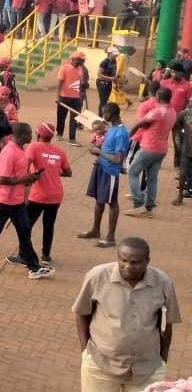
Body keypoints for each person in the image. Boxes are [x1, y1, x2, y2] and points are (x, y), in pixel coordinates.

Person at [73, 237, 180, 391]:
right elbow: (82, 313)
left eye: (135, 262)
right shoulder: (97, 276)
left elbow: (166, 324)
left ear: (147, 261)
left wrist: (163, 359)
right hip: (101, 366)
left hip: (147, 370)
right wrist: (85, 352)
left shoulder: (163, 283)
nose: (128, 266)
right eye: (123, 260)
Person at [0, 122, 55, 279]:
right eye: (30, 133)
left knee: (24, 231)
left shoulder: (18, 150)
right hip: (3, 199)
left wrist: (29, 179)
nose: (32, 136)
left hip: (16, 200)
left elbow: (18, 177)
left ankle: (34, 267)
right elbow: (3, 179)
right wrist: (27, 178)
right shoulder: (10, 152)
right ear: (23, 135)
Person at [16, 123, 71, 266]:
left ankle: (23, 254)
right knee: (49, 225)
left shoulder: (33, 147)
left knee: (26, 225)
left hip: (38, 195)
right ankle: (46, 255)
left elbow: (25, 166)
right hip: (56, 194)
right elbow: (68, 172)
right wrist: (53, 171)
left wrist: (26, 180)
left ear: (38, 135)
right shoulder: (59, 151)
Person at [126, 87, 176, 217]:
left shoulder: (157, 111)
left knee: (132, 172)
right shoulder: (173, 112)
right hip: (162, 149)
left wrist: (128, 137)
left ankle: (138, 204)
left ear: (158, 97)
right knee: (152, 178)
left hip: (149, 147)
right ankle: (149, 207)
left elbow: (139, 123)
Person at [57, 52, 87, 145]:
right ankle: (59, 134)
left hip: (76, 98)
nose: (83, 61)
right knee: (61, 117)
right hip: (64, 96)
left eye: (83, 60)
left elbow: (80, 83)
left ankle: (72, 138)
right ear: (74, 59)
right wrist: (58, 96)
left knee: (74, 118)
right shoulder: (64, 68)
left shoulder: (81, 69)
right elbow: (60, 82)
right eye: (81, 60)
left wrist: (82, 94)